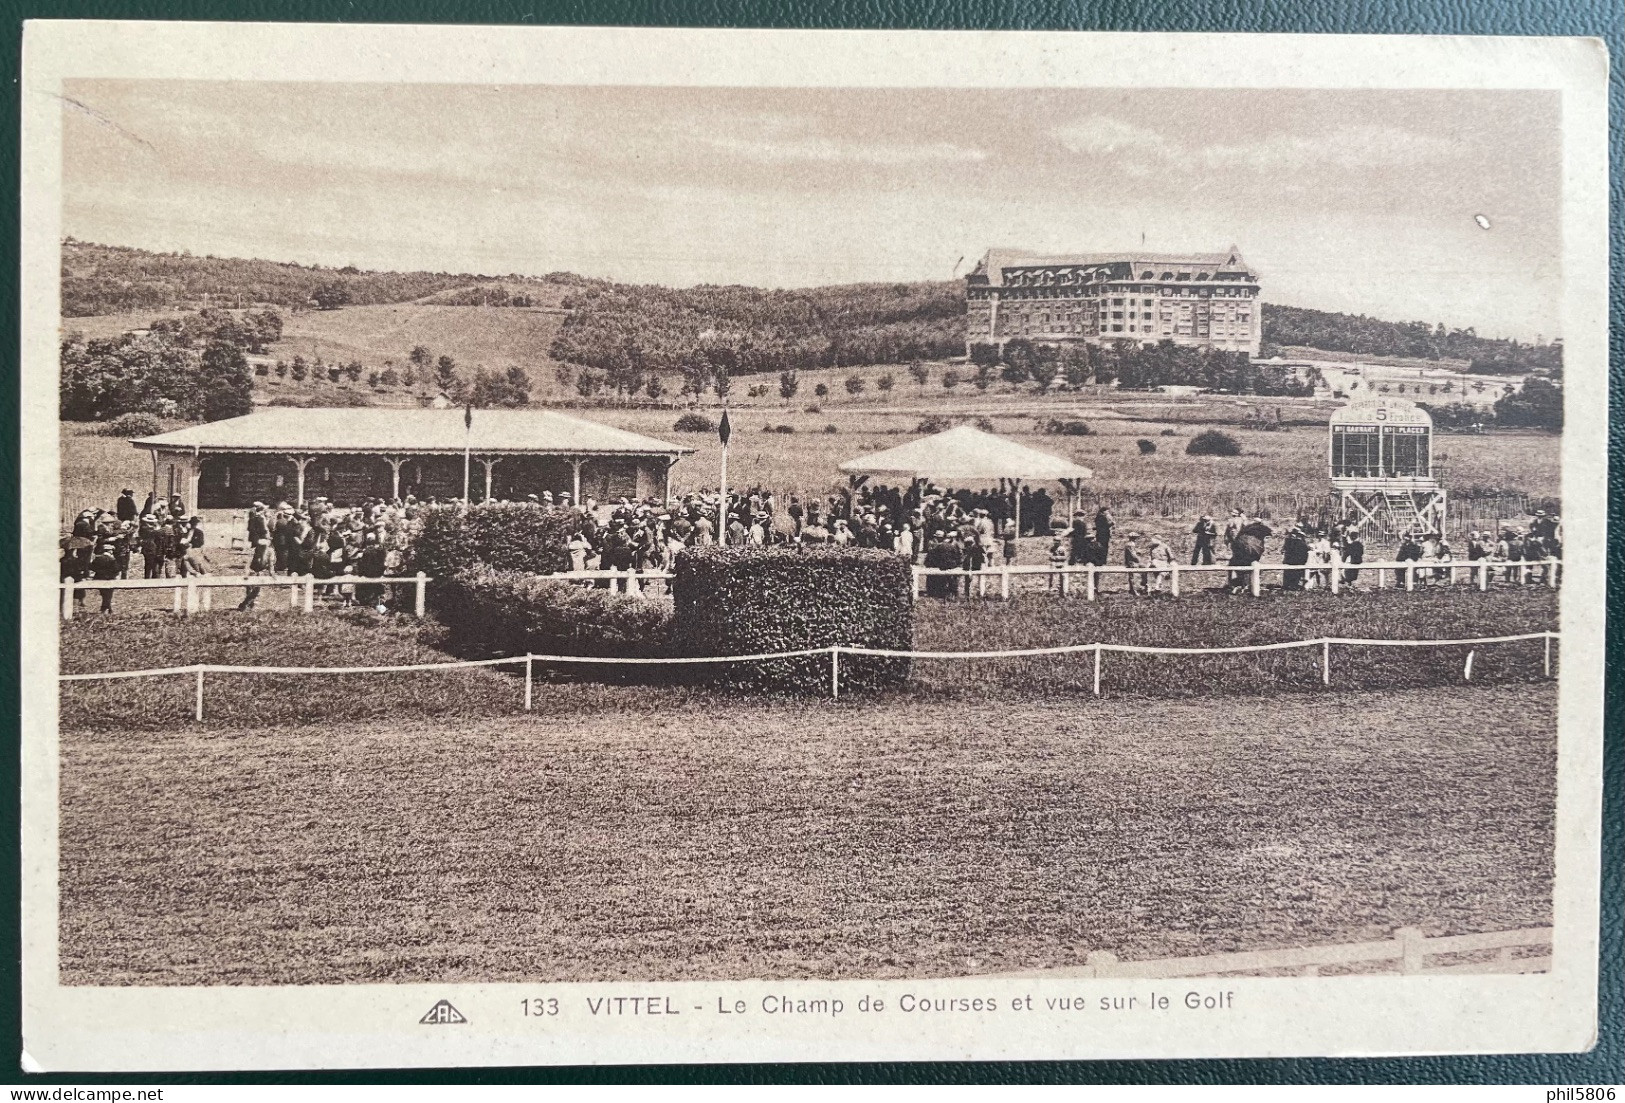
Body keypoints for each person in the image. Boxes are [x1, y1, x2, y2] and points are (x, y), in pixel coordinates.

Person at [1281, 526, 1310, 591]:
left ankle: (1290, 585)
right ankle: (1291, 585)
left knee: (1291, 574)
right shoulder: (1297, 543)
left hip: (1293, 561)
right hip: (1295, 561)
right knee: (1293, 574)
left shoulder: (1290, 542)